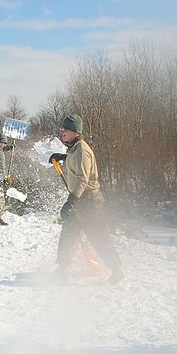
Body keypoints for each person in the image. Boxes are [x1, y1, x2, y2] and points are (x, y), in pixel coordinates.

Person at [50, 115, 124, 284]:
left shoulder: (83, 150)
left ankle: (117, 269)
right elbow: (74, 162)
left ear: (76, 132)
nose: (62, 132)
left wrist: (71, 201)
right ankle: (62, 269)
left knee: (98, 235)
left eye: (66, 129)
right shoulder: (73, 148)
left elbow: (83, 179)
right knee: (69, 234)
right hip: (79, 200)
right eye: (62, 129)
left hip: (89, 201)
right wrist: (63, 157)